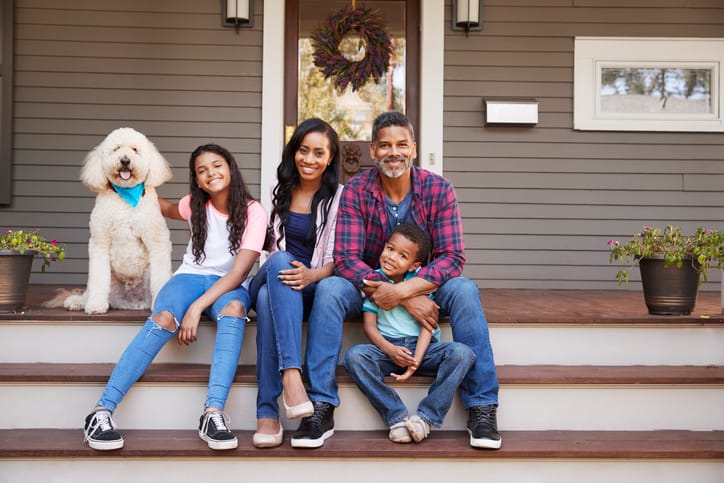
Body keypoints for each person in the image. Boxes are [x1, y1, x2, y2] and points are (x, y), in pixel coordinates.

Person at [300, 111, 502, 449]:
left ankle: (481, 407)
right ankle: (321, 404)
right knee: (330, 287)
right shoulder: (355, 191)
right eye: (385, 145)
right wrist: (398, 295)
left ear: (414, 149)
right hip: (368, 284)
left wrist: (407, 289)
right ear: (373, 151)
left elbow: (453, 257)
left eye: (401, 145)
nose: (394, 152)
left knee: (465, 289)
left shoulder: (439, 189)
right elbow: (347, 259)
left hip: (428, 285)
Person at [82, 144, 268, 451]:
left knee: (235, 310)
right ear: (196, 179)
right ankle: (101, 411)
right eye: (202, 170)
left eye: (217, 165)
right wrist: (130, 191)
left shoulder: (253, 211)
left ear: (230, 168)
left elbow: (238, 272)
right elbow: (165, 208)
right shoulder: (194, 203)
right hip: (188, 278)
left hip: (229, 284)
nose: (211, 173)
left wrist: (197, 308)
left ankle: (213, 412)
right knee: (164, 317)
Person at [249, 118, 343, 448]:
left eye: (319, 153)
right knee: (277, 260)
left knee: (264, 303)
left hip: (309, 285)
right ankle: (292, 376)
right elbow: (264, 250)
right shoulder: (282, 191)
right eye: (303, 150)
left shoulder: (339, 198)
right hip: (272, 275)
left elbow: (339, 259)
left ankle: (267, 414)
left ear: (330, 158)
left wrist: (311, 275)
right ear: (294, 152)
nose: (309, 159)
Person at [344, 223, 476, 443]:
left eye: (402, 256)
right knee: (354, 357)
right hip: (388, 350)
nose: (392, 257)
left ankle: (425, 418)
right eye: (390, 248)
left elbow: (428, 324)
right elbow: (369, 326)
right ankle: (396, 417)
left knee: (463, 353)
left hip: (424, 350)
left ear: (415, 264)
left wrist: (416, 361)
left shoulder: (418, 284)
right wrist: (390, 349)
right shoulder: (375, 282)